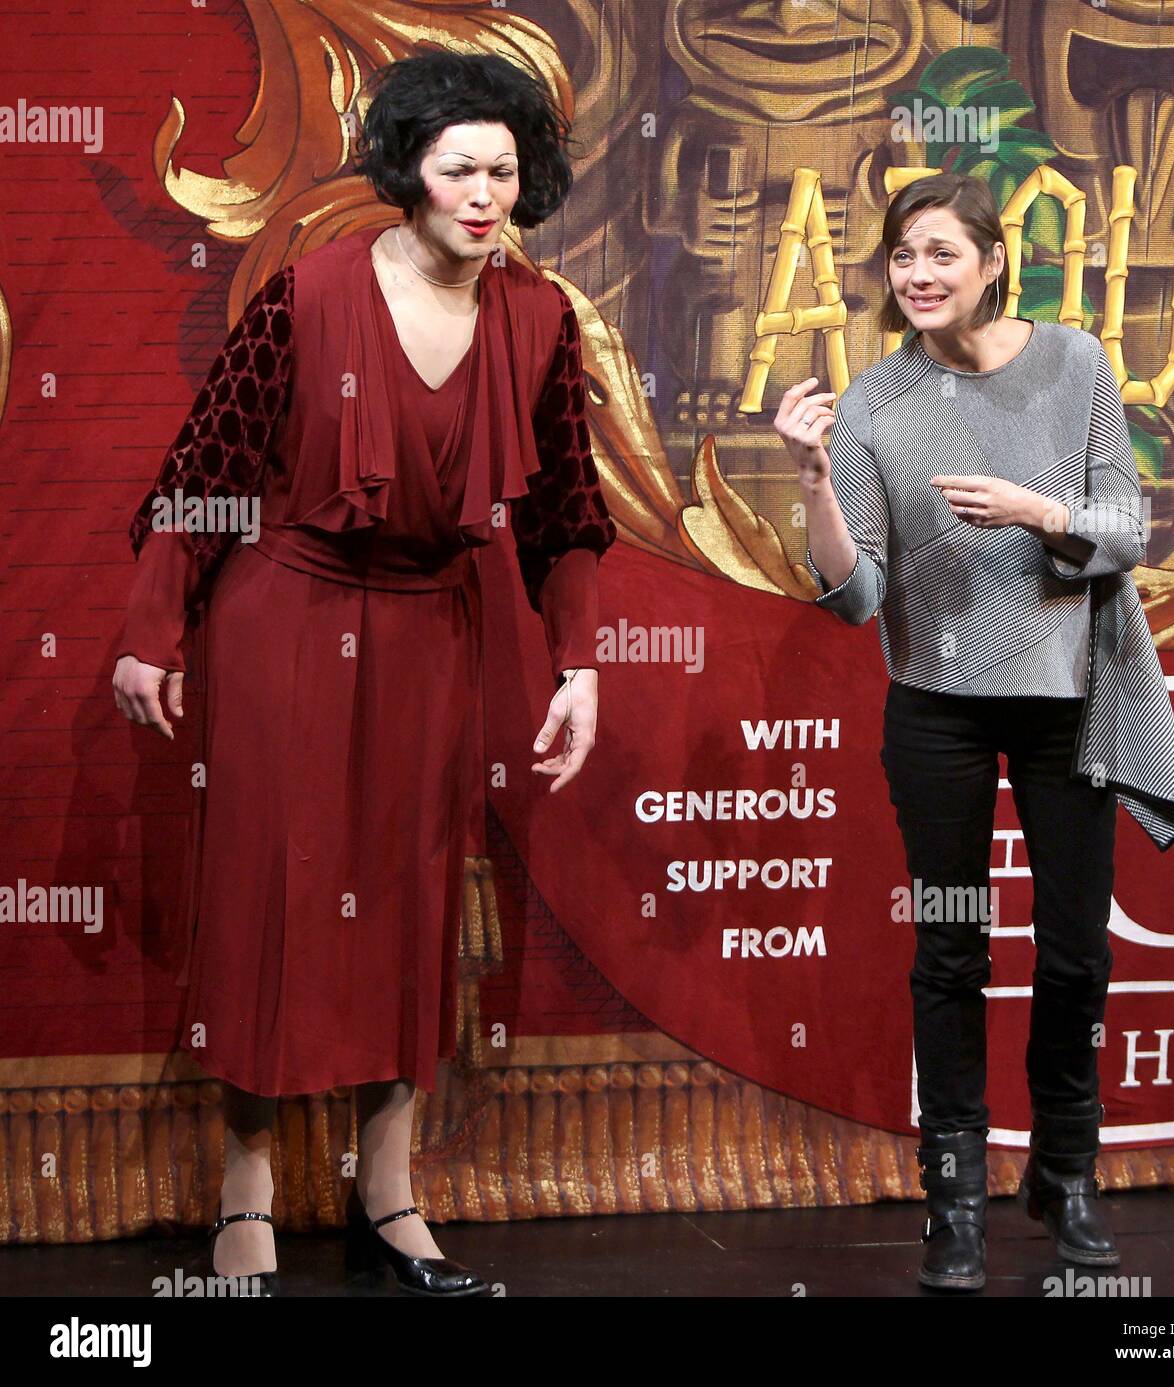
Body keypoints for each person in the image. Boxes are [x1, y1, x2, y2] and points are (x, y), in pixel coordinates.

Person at [111, 51, 616, 1297]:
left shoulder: (540, 320)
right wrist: (146, 630)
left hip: (431, 637)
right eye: (459, 168)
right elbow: (207, 468)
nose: (484, 192)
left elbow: (566, 517)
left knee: (407, 907)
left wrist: (585, 666)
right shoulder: (308, 295)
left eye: (504, 169)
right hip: (285, 619)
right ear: (409, 172)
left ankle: (389, 1203)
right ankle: (246, 1206)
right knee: (269, 900)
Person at [775, 172, 1174, 1292]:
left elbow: (1128, 528)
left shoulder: (1075, 363)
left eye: (940, 254)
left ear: (992, 259)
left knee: (1076, 952)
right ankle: (951, 1194)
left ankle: (1064, 1169)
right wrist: (815, 480)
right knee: (950, 951)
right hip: (936, 712)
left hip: (1066, 699)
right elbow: (856, 594)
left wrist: (1040, 512)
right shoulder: (871, 402)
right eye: (902, 257)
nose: (917, 276)